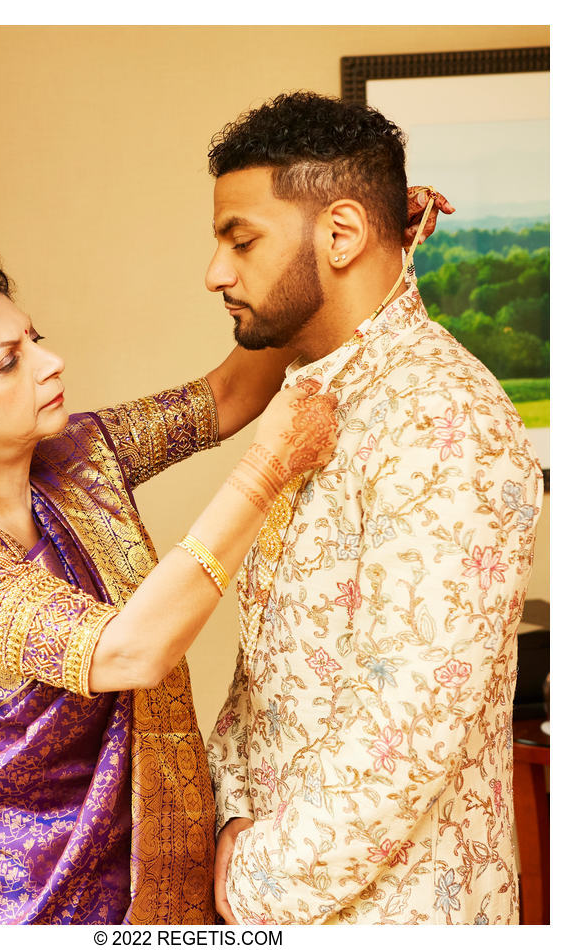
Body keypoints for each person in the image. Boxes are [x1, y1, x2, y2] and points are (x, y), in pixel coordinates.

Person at [0, 250, 338, 924]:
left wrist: (319, 264)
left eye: (34, 341)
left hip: (158, 865)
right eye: (7, 361)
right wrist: (269, 468)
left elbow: (226, 396)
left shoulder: (72, 457)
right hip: (33, 895)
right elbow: (128, 653)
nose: (50, 364)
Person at [204, 92, 543, 926]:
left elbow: (407, 728)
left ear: (344, 234)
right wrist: (229, 820)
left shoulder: (445, 416)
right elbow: (267, 679)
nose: (216, 272)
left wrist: (249, 882)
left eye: (240, 239)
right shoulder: (314, 393)